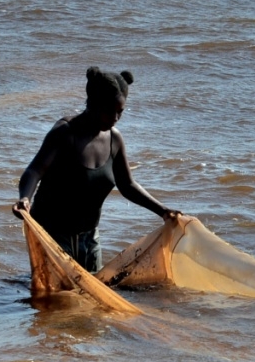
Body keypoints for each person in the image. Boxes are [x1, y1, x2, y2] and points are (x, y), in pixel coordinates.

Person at [12, 67, 178, 272]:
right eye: (110, 111)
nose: (116, 118)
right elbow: (34, 171)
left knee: (91, 296)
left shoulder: (114, 140)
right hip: (51, 234)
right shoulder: (65, 133)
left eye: (120, 111)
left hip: (90, 238)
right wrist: (25, 197)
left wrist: (163, 211)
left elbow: (127, 185)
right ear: (94, 104)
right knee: (57, 298)